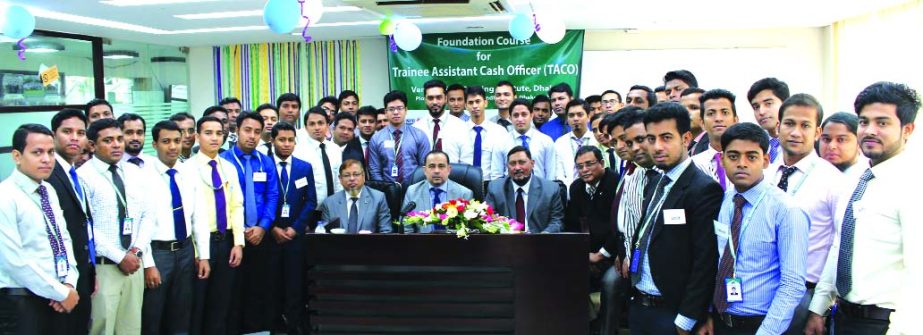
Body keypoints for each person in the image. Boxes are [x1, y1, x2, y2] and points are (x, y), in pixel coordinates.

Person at [806, 82, 921, 335]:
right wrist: (818, 308)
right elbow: (840, 245)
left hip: (885, 323)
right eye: (864, 121)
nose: (869, 131)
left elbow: (918, 271)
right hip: (844, 318)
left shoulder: (913, 186)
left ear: (907, 129)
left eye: (882, 123)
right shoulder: (857, 181)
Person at [699, 122, 809, 334]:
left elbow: (793, 284)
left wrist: (767, 332)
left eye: (751, 156)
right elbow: (720, 259)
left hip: (761, 323)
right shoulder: (725, 200)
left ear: (766, 160)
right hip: (722, 318)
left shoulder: (787, 210)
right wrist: (711, 313)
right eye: (733, 156)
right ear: (722, 160)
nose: (741, 163)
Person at [628, 102, 722, 335]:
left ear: (686, 138)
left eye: (666, 137)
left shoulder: (703, 189)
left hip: (673, 313)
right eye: (651, 139)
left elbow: (705, 260)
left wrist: (688, 317)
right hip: (640, 304)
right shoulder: (656, 181)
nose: (657, 146)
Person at [768, 94, 842, 334]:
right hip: (761, 291)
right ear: (778, 127)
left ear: (817, 132)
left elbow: (838, 246)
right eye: (789, 124)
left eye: (805, 126)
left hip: (804, 295)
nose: (796, 133)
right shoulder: (765, 175)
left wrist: (818, 308)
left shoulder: (833, 181)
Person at [0, 124, 80, 335]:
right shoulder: (5, 197)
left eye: (51, 152)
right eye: (37, 152)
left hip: (57, 297)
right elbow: (13, 260)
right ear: (17, 156)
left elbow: (64, 238)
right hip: (22, 301)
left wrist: (70, 283)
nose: (47, 159)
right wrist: (60, 292)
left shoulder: (48, 190)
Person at [80, 118, 154, 335]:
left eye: (119, 139)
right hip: (104, 268)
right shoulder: (84, 177)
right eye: (108, 140)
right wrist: (120, 257)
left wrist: (136, 250)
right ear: (92, 145)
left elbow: (148, 215)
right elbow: (86, 226)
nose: (117, 144)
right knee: (102, 327)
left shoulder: (134, 172)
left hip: (134, 264)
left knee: (131, 328)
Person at [141, 120, 205, 335]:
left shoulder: (189, 172)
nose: (173, 147)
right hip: (158, 253)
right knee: (153, 314)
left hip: (186, 251)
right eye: (166, 141)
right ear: (155, 144)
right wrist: (148, 263)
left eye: (177, 141)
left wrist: (203, 255)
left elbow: (198, 217)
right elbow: (142, 225)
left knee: (182, 313)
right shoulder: (143, 176)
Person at [220, 112, 280, 334]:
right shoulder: (223, 160)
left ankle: (256, 330)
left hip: (260, 236)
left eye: (257, 131)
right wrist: (240, 230)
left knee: (258, 288)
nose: (252, 136)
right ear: (236, 131)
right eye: (247, 130)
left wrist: (263, 227)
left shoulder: (266, 162)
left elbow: (273, 196)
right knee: (233, 290)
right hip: (232, 237)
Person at [598, 109, 656, 334]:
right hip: (625, 250)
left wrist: (630, 256)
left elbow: (641, 223)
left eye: (628, 139)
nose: (622, 146)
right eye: (616, 142)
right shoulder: (631, 171)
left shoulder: (649, 171)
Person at [187, 115, 245, 335]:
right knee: (198, 303)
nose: (214, 138)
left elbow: (236, 206)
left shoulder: (228, 167)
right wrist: (196, 251)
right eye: (208, 133)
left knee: (222, 304)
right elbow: (188, 215)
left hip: (226, 240)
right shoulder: (187, 169)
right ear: (196, 136)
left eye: (219, 133)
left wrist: (238, 243)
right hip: (201, 243)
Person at [47, 109, 95, 335]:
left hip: (81, 273)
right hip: (60, 283)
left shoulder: (75, 173)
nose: (75, 138)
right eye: (67, 131)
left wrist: (90, 269)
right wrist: (59, 286)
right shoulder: (48, 174)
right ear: (53, 135)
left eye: (80, 132)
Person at [269, 121, 317, 334]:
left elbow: (310, 201)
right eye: (282, 140)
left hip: (295, 236)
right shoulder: (265, 165)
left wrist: (295, 228)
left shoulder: (303, 167)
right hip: (270, 235)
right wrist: (273, 228)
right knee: (272, 282)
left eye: (290, 140)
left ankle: (294, 324)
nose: (286, 144)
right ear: (272, 141)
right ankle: (274, 323)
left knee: (295, 282)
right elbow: (259, 200)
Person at [564, 145, 619, 281]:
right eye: (580, 166)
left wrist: (600, 255)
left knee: (609, 281)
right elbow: (573, 224)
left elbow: (620, 227)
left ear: (601, 163)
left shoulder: (616, 183)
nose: (584, 170)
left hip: (614, 251)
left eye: (589, 164)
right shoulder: (576, 187)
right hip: (587, 252)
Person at [485, 146, 564, 233]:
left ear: (532, 163)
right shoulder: (495, 189)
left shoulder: (550, 189)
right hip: (507, 241)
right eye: (512, 163)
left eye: (522, 162)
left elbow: (557, 221)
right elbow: (488, 220)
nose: (517, 167)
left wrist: (543, 236)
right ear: (507, 166)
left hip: (540, 241)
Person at [368, 91, 431, 184]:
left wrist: (416, 189)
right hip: (387, 190)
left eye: (399, 108)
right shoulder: (376, 138)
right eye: (391, 109)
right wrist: (384, 189)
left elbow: (425, 167)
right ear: (386, 112)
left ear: (406, 110)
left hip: (414, 189)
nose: (396, 112)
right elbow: (375, 169)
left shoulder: (419, 135)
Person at [403, 151, 474, 232]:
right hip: (422, 243)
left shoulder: (464, 194)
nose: (436, 171)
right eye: (432, 166)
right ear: (425, 170)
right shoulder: (412, 192)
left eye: (441, 166)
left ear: (449, 169)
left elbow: (468, 230)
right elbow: (406, 229)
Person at [319, 159, 392, 233]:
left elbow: (386, 233)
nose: (352, 179)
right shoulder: (329, 203)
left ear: (363, 176)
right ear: (340, 179)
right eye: (347, 175)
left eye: (356, 174)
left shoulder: (378, 199)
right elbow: (325, 236)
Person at [459, 85, 511, 181]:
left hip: (491, 184)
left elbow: (506, 163)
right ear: (466, 106)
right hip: (464, 184)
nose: (475, 106)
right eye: (470, 102)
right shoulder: (458, 131)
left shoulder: (499, 131)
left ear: (485, 103)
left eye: (478, 101)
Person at [294, 107, 343, 207]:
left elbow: (339, 180)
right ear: (306, 127)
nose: (317, 127)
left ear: (328, 125)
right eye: (312, 124)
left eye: (320, 123)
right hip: (309, 209)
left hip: (334, 207)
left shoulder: (335, 149)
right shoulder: (298, 151)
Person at [691, 89, 739, 191]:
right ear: (702, 123)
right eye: (711, 113)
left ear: (736, 121)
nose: (718, 118)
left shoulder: (748, 161)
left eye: (725, 112)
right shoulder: (693, 165)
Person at [413, 79, 466, 162]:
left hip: (454, 174)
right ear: (425, 100)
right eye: (430, 98)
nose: (435, 102)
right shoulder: (416, 128)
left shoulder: (461, 126)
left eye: (438, 97)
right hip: (424, 174)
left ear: (445, 99)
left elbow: (466, 161)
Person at [555, 99, 598, 188]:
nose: (575, 118)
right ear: (567, 119)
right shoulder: (560, 142)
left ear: (589, 117)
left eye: (580, 114)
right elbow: (559, 173)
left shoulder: (597, 139)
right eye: (571, 115)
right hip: (568, 194)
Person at [509, 98, 556, 179]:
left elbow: (551, 173)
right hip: (511, 190)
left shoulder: (546, 141)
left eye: (524, 114)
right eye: (516, 115)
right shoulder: (501, 142)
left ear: (531, 115)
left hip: (541, 189)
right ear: (510, 118)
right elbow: (497, 174)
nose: (520, 119)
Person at [747, 78, 790, 165]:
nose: (761, 112)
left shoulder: (802, 142)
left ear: (786, 104)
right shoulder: (751, 144)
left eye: (768, 104)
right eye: (756, 107)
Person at [819, 112, 867, 177]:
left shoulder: (868, 181)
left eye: (841, 140)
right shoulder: (810, 175)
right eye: (826, 139)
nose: (831, 146)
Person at [680, 88, 709, 155]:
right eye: (682, 108)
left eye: (693, 108)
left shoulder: (713, 145)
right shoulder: (679, 144)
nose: (686, 112)